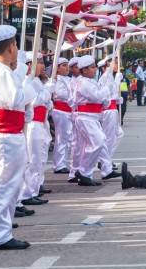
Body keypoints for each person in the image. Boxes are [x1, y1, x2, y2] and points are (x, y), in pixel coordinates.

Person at [0, 26, 39, 250]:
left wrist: (22, 75)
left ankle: (1, 226)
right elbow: (15, 99)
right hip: (3, 133)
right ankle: (0, 235)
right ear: (11, 47)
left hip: (7, 131)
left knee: (10, 184)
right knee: (5, 184)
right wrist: (30, 87)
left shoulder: (2, 71)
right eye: (15, 45)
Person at [70, 55, 110, 187]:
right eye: (92, 67)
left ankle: (85, 173)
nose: (95, 70)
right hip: (85, 116)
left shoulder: (91, 82)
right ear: (84, 70)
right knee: (97, 142)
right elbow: (96, 96)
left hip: (92, 117)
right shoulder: (83, 83)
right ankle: (83, 171)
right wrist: (105, 90)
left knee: (97, 142)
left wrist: (104, 94)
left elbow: (104, 102)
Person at [19, 54, 51, 207]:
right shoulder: (27, 82)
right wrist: (47, 92)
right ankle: (28, 193)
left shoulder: (36, 81)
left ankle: (34, 189)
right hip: (32, 124)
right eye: (40, 62)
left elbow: (47, 104)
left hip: (41, 123)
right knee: (32, 160)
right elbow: (35, 101)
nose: (43, 66)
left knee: (40, 159)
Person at [97, 58, 123, 181]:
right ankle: (104, 162)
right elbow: (106, 95)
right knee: (108, 137)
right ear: (105, 66)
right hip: (108, 111)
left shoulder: (110, 77)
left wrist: (118, 98)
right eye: (114, 63)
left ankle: (106, 160)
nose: (117, 65)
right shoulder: (106, 77)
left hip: (113, 109)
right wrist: (117, 81)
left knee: (118, 134)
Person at [50, 57, 73, 174]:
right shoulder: (57, 79)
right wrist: (72, 94)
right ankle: (59, 164)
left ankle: (63, 162)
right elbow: (61, 94)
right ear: (57, 68)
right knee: (62, 138)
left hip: (68, 111)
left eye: (67, 65)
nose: (67, 67)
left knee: (68, 138)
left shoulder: (68, 79)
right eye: (63, 65)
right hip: (61, 111)